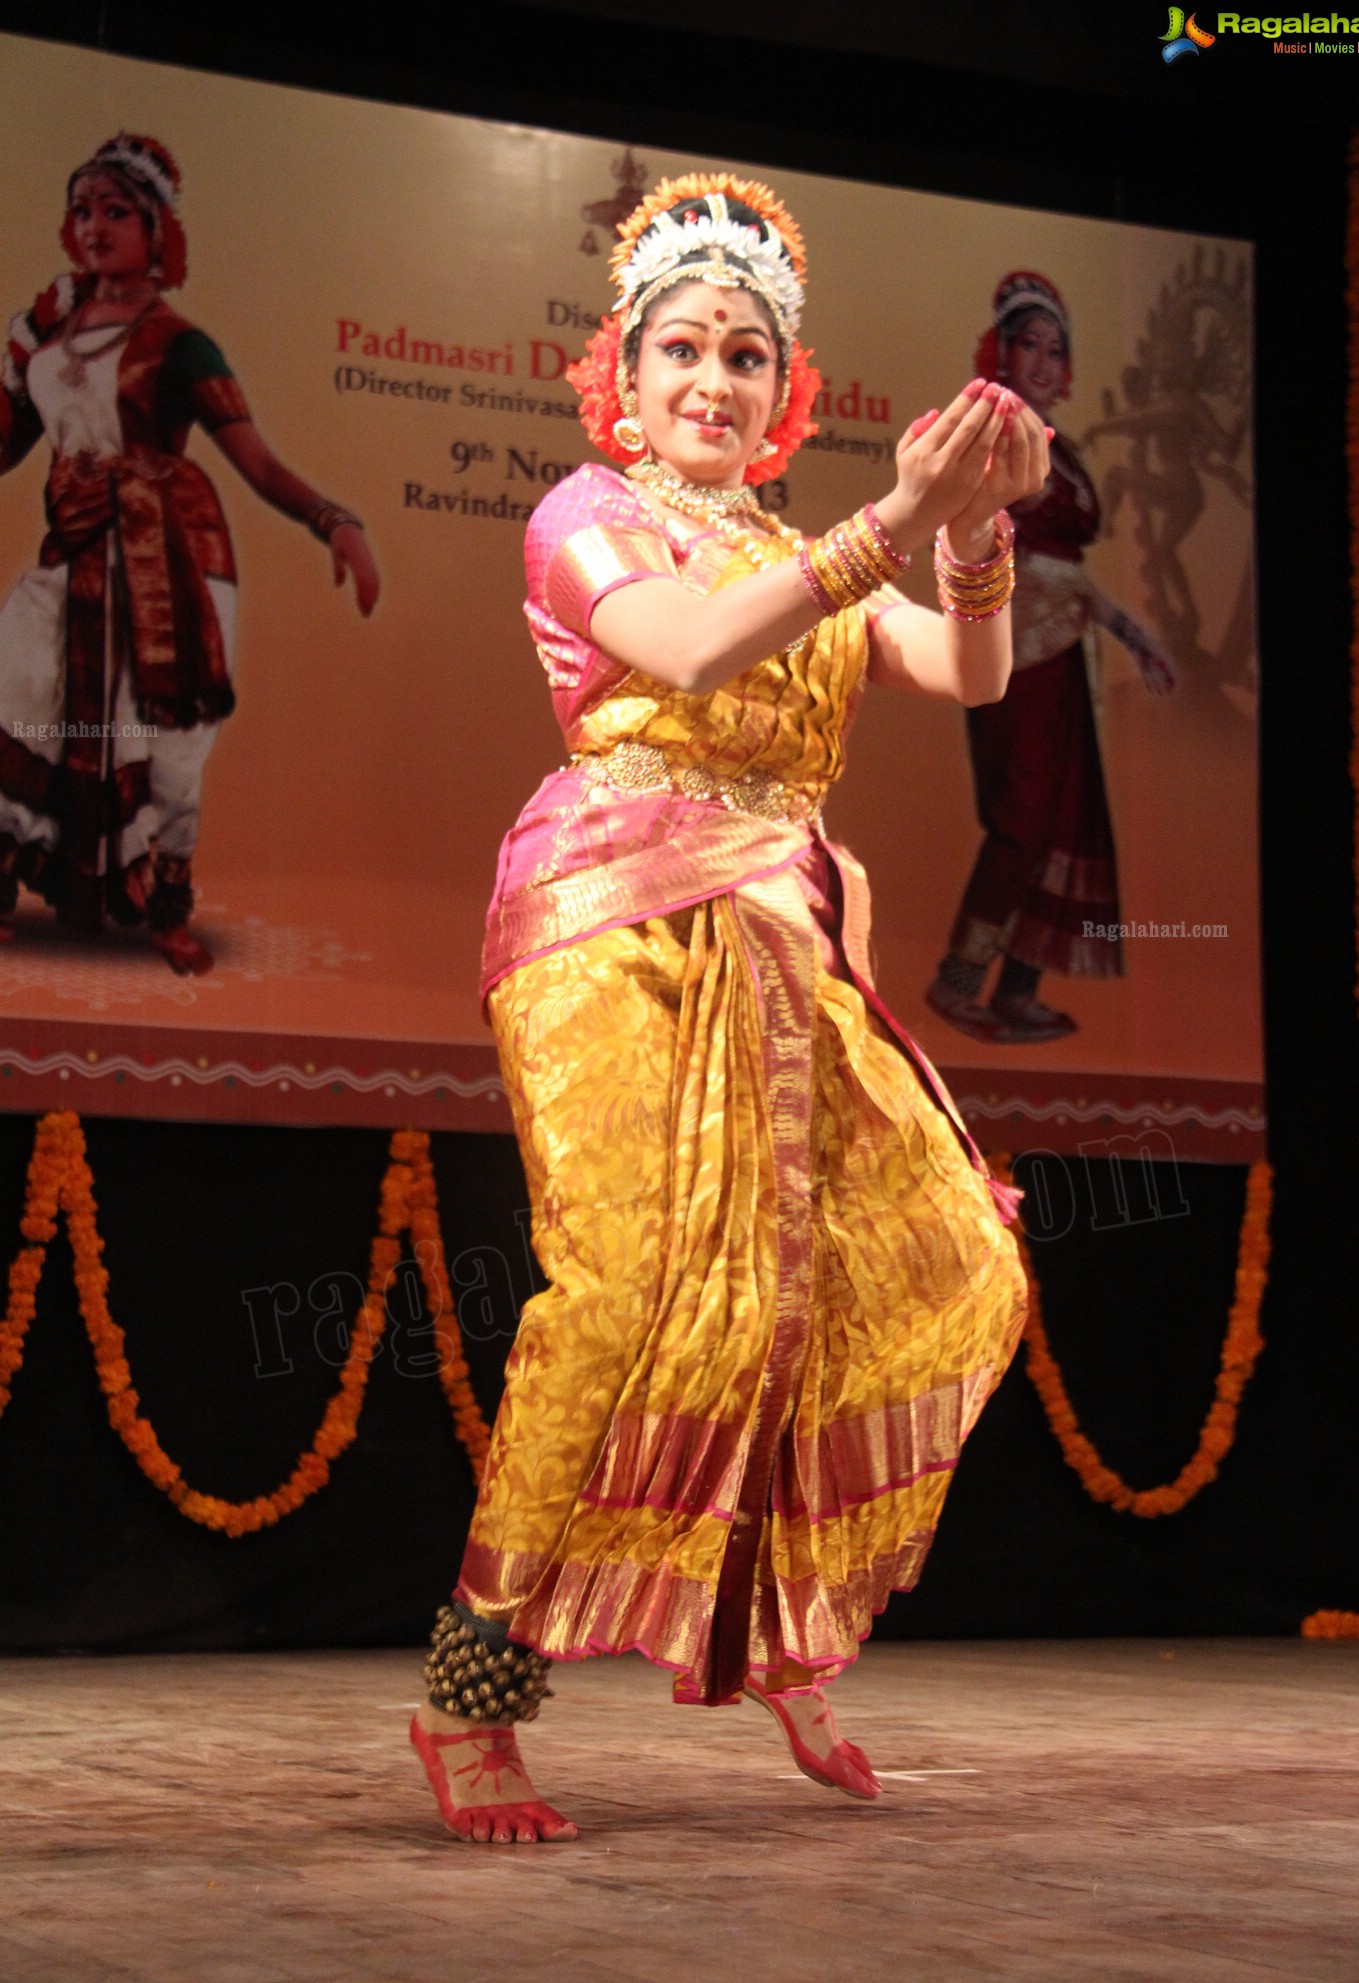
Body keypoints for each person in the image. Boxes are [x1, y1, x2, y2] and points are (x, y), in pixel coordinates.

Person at [410, 175, 1040, 1845]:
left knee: (880, 1274)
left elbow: (968, 673)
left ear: (786, 395)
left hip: (782, 927)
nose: (713, 375)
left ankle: (785, 1628)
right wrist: (891, 530)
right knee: (617, 1300)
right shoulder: (580, 516)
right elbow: (685, 659)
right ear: (620, 373)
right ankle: (472, 1696)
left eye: (747, 353)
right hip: (608, 911)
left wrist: (976, 525)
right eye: (683, 345)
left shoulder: (794, 544)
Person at [0, 133, 379, 974]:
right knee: (20, 692)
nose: (95, 227)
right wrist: (17, 350)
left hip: (164, 565)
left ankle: (165, 905)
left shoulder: (178, 343)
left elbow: (256, 461)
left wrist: (333, 520)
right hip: (71, 553)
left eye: (116, 212)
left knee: (165, 739)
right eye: (82, 211)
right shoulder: (49, 336)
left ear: (157, 230)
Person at [927, 272, 1174, 1046]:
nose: (1041, 358)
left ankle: (1015, 992)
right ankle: (958, 982)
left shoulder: (1059, 451)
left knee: (1062, 823)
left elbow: (1070, 569)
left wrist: (1132, 634)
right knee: (1021, 820)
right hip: (1012, 651)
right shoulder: (988, 432)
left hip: (1063, 656)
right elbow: (983, 540)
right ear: (1000, 352)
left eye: (1054, 348)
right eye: (1026, 343)